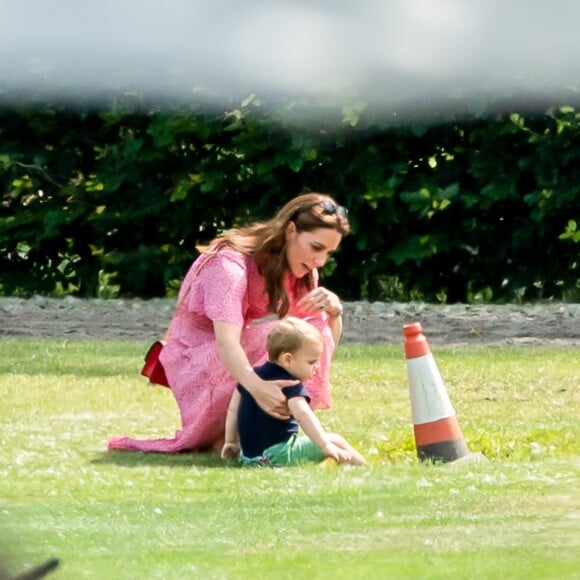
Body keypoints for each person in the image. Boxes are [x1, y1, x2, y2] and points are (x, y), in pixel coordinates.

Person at [108, 192, 350, 453]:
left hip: (233, 360)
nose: (320, 260)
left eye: (328, 252)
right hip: (197, 358)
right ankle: (233, 434)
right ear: (291, 230)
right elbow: (226, 343)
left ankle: (260, 431)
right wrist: (258, 387)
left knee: (307, 331)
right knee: (281, 337)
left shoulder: (301, 270)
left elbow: (316, 347)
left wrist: (335, 313)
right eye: (316, 247)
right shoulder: (228, 265)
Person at [221, 317, 366, 466]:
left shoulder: (251, 379)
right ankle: (366, 469)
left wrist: (231, 442)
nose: (316, 366)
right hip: (278, 454)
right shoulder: (289, 384)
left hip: (248, 457)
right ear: (287, 359)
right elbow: (304, 415)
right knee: (336, 440)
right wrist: (325, 446)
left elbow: (233, 410)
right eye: (312, 362)